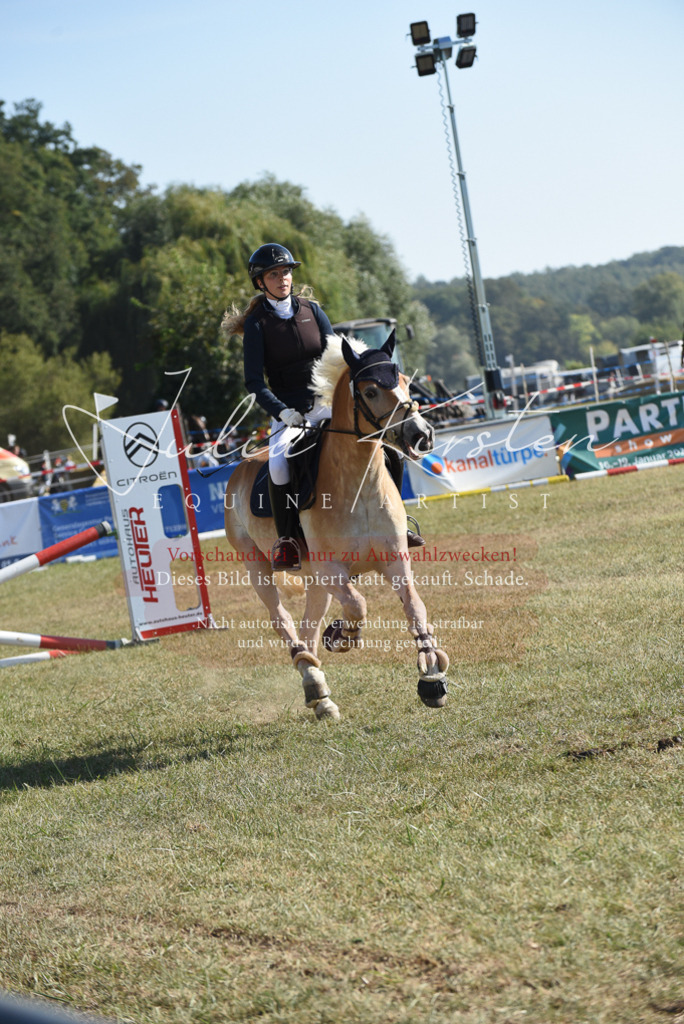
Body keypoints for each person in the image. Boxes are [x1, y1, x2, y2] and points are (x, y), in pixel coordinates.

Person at [221, 243, 423, 571]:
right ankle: (288, 541)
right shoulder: (257, 325)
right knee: (278, 465)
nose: (283, 279)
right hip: (289, 413)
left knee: (387, 448)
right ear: (260, 282)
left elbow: (335, 357)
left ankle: (397, 521)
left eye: (286, 272)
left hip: (326, 405)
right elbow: (254, 382)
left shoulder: (312, 311)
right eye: (274, 275)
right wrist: (282, 412)